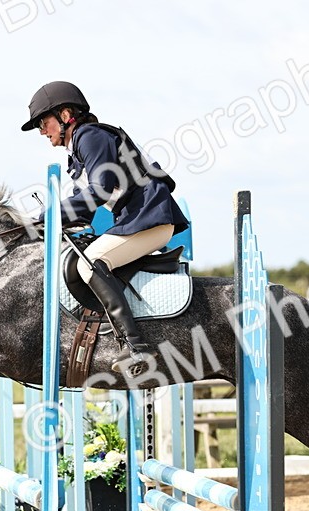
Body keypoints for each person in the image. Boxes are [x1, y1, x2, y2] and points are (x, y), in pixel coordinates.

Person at [21, 81, 189, 376]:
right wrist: (42, 224)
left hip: (149, 218)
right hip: (136, 219)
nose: (42, 131)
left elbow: (100, 190)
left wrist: (54, 212)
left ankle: (135, 346)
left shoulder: (90, 136)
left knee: (90, 263)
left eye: (43, 123)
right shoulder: (78, 151)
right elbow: (84, 207)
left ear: (65, 115)